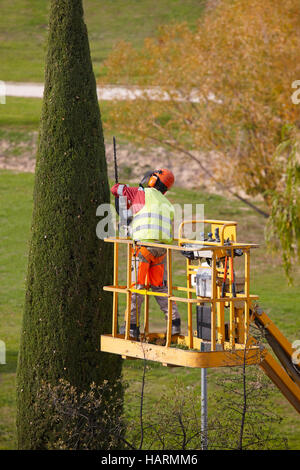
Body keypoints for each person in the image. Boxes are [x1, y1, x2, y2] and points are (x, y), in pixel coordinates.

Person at [111, 168, 181, 338]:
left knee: (137, 287)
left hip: (143, 248)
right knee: (160, 287)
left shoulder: (141, 193)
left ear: (152, 181)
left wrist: (121, 189)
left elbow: (116, 189)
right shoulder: (167, 203)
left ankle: (131, 326)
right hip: (162, 250)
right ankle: (174, 323)